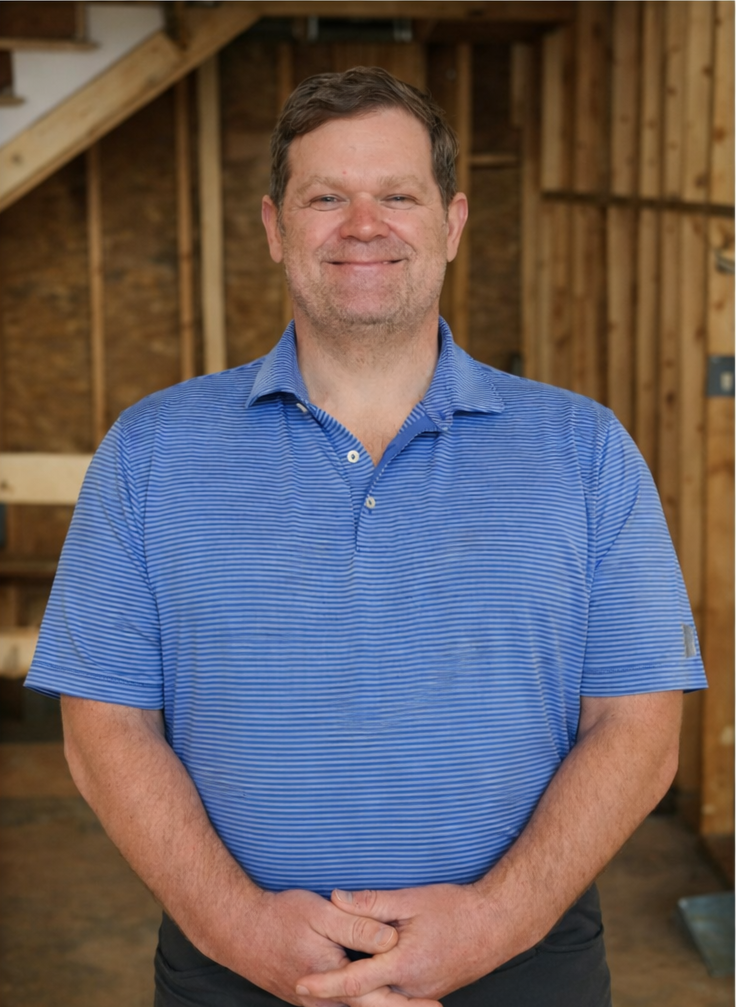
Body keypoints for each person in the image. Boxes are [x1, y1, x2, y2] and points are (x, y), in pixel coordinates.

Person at [27, 66, 706, 1007]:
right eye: (326, 198)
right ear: (273, 227)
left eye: (397, 195)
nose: (363, 225)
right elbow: (105, 727)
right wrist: (238, 927)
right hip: (233, 969)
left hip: (522, 967)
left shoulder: (585, 451)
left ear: (453, 222)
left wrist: (494, 922)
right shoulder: (151, 451)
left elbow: (639, 729)